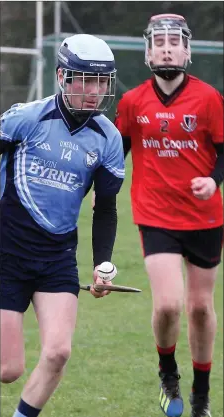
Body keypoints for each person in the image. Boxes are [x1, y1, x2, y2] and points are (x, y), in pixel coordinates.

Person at [0, 34, 124, 417]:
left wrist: (102, 263)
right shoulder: (26, 117)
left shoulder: (108, 138)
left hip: (56, 259)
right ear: (62, 77)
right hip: (7, 253)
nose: (93, 91)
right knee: (8, 369)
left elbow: (105, 208)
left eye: (101, 81)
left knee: (58, 352)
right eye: (84, 79)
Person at [113, 13, 223, 417]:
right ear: (148, 52)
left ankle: (201, 396)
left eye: (174, 41)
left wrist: (214, 182)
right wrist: (100, 192)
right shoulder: (132, 102)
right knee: (168, 305)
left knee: (198, 307)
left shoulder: (209, 98)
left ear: (187, 50)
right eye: (158, 42)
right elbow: (115, 155)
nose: (166, 47)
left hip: (205, 218)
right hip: (155, 214)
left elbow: (223, 151)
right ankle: (168, 375)